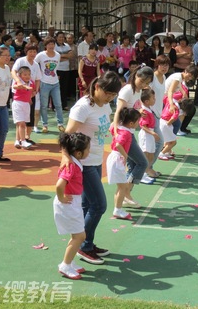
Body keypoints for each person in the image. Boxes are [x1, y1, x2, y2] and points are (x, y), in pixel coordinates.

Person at [63, 73, 122, 265]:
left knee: (88, 205)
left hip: (96, 159)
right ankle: (83, 246)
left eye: (113, 95)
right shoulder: (83, 107)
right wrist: (66, 157)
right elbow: (67, 135)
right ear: (97, 87)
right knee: (99, 205)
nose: (110, 99)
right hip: (83, 164)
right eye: (108, 94)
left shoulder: (104, 105)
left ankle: (87, 242)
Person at [54, 132, 91, 280]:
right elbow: (59, 185)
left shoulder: (75, 162)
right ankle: (65, 264)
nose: (90, 151)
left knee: (76, 235)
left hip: (72, 202)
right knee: (80, 236)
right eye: (88, 149)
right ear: (78, 152)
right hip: (68, 203)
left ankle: (70, 262)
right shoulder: (71, 166)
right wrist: (61, 197)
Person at [112, 66, 154, 186]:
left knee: (132, 165)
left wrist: (139, 111)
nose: (143, 85)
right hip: (123, 132)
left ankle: (126, 195)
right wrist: (116, 133)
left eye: (146, 83)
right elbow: (118, 112)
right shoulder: (127, 90)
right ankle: (126, 193)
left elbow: (134, 106)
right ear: (136, 75)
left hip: (130, 131)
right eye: (142, 81)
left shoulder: (138, 90)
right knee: (142, 163)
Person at [107, 107, 142, 220]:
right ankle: (117, 209)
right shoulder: (126, 133)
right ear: (131, 123)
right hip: (117, 158)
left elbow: (111, 128)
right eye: (137, 121)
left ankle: (118, 208)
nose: (139, 123)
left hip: (114, 157)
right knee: (122, 187)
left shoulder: (120, 128)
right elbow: (118, 144)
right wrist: (125, 155)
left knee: (120, 187)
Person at [11, 44, 42, 142]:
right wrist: (18, 81)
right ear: (26, 51)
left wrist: (35, 90)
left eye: (34, 51)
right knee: (20, 116)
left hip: (30, 92)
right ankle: (19, 138)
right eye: (30, 51)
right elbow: (13, 71)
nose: (33, 54)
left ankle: (27, 136)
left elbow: (37, 79)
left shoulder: (36, 64)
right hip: (19, 91)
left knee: (30, 114)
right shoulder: (20, 61)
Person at [35, 37, 65, 133]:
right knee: (44, 105)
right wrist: (39, 74)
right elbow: (34, 65)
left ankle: (60, 124)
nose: (51, 46)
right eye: (49, 44)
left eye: (52, 44)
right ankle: (45, 124)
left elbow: (55, 68)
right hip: (44, 83)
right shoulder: (41, 55)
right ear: (45, 45)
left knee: (58, 104)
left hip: (55, 82)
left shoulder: (57, 55)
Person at [164, 65, 198, 136]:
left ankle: (176, 128)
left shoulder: (180, 77)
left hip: (168, 97)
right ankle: (175, 129)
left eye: (192, 76)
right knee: (182, 110)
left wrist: (184, 93)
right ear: (185, 71)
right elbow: (170, 91)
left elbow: (179, 87)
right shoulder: (178, 77)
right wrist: (171, 104)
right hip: (165, 97)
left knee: (183, 108)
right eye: (189, 74)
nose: (190, 77)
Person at [138, 89, 160, 178]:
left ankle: (147, 170)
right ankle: (142, 173)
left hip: (150, 133)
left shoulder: (149, 108)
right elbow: (143, 126)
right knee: (146, 153)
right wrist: (153, 133)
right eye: (153, 98)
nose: (155, 100)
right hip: (146, 134)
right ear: (147, 101)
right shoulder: (145, 111)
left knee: (151, 154)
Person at [11, 66, 34, 150]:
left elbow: (33, 90)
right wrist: (24, 87)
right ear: (20, 75)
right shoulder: (19, 82)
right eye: (25, 74)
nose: (27, 76)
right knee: (21, 123)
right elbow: (15, 87)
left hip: (26, 104)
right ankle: (23, 141)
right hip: (18, 103)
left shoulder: (31, 82)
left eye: (29, 74)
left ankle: (17, 140)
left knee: (20, 123)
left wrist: (30, 98)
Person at [55, 31, 73, 110]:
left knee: (64, 88)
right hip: (57, 69)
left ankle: (64, 105)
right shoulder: (54, 46)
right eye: (60, 37)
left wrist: (61, 56)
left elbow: (71, 56)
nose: (61, 38)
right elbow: (56, 58)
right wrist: (65, 56)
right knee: (56, 88)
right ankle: (55, 106)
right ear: (56, 38)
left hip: (66, 69)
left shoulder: (67, 46)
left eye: (62, 37)